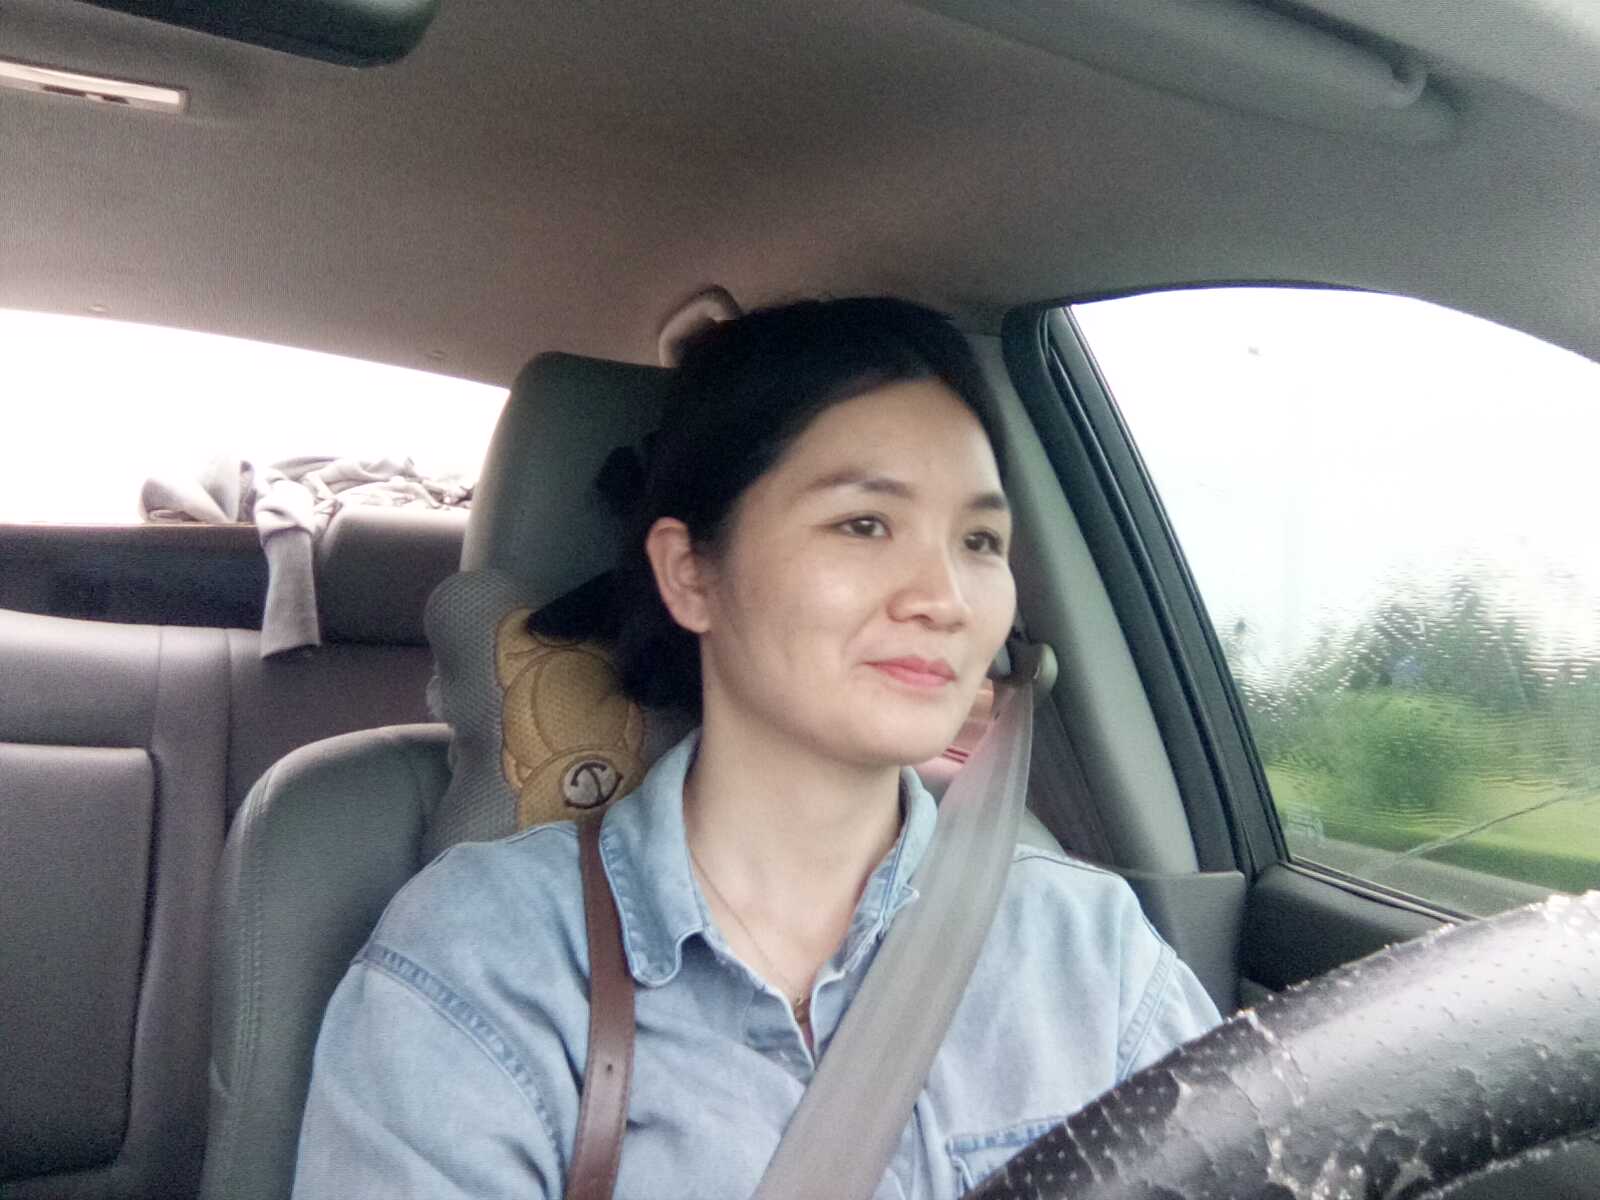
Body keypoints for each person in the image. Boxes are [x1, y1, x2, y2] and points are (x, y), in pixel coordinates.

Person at [292, 298, 1221, 1199]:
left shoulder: (1092, 950)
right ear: (690, 574)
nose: (945, 597)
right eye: (865, 524)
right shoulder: (487, 961)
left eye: (980, 540)